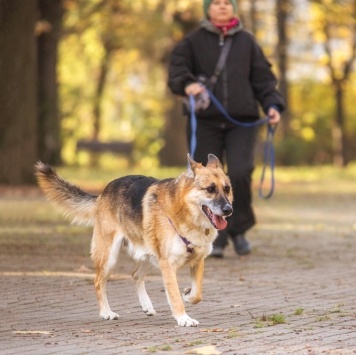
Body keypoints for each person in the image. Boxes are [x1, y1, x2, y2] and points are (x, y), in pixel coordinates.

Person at [167, 0, 285, 258]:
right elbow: (176, 72)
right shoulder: (192, 41)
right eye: (216, 3)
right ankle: (213, 235)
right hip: (205, 121)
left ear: (232, 8)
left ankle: (238, 229)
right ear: (208, 9)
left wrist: (273, 105)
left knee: (240, 172)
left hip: (241, 121)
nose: (222, 6)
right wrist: (187, 84)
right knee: (206, 181)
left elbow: (264, 79)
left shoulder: (247, 42)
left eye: (227, 2)